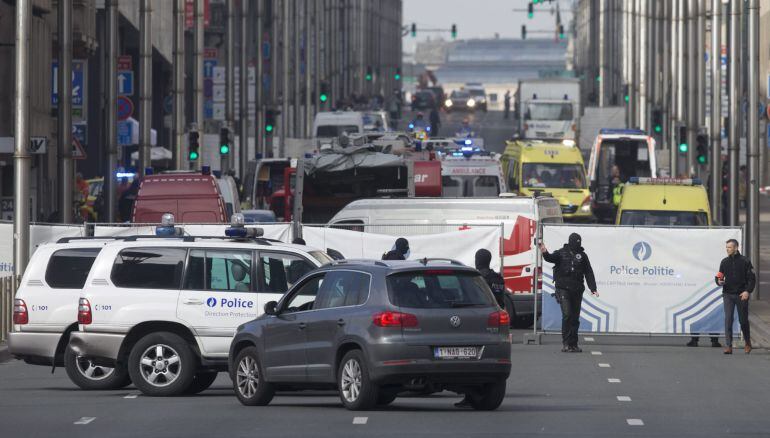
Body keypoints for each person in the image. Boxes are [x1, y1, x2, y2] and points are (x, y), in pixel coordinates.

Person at [539, 233, 598, 353]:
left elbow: (588, 272)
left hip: (577, 289)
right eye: (575, 242)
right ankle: (566, 343)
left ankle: (573, 344)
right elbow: (550, 258)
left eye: (579, 242)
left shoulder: (582, 255)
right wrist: (544, 251)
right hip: (563, 288)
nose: (577, 244)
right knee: (567, 315)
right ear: (570, 241)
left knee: (575, 318)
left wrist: (593, 288)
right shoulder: (561, 252)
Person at [717, 239, 755, 354]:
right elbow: (719, 276)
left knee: (743, 320)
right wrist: (719, 281)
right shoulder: (724, 262)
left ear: (736, 248)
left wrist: (747, 291)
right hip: (728, 294)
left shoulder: (745, 261)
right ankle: (729, 346)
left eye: (729, 247)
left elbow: (752, 279)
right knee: (728, 319)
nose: (727, 249)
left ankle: (748, 343)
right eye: (726, 247)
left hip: (741, 294)